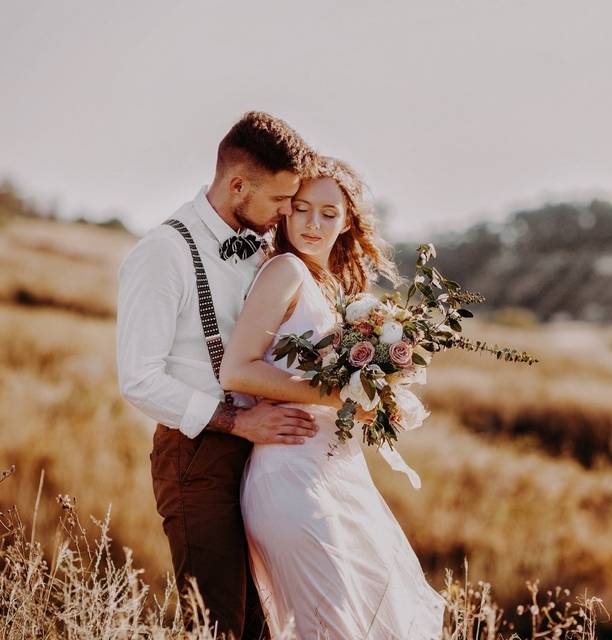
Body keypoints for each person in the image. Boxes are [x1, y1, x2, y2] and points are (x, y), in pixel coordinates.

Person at [117, 111, 331, 639]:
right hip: (197, 459)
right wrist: (237, 423)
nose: (286, 214)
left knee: (265, 625)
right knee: (217, 627)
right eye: (281, 201)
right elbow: (139, 379)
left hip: (265, 462)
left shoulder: (263, 251)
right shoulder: (162, 253)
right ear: (237, 185)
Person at [219, 154, 446, 639]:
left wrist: (379, 397)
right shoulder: (284, 270)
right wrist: (338, 395)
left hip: (332, 474)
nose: (313, 223)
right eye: (301, 208)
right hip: (290, 480)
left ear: (347, 223)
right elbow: (237, 369)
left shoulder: (332, 289)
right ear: (286, 211)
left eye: (328, 213)